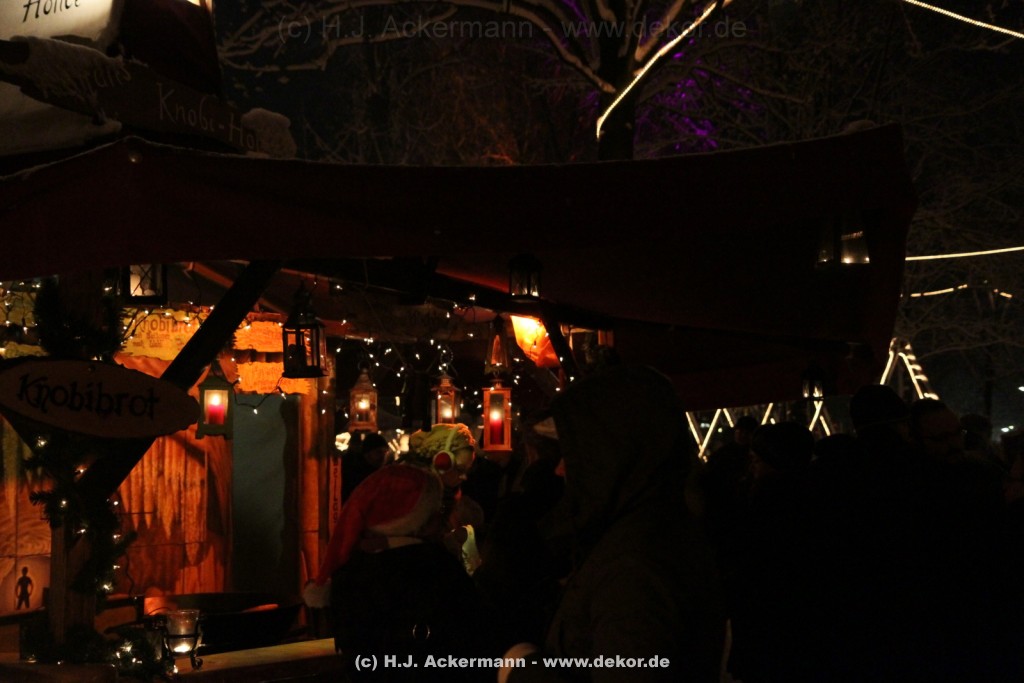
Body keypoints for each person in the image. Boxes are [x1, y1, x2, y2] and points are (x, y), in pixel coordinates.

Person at [499, 365, 726, 683]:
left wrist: (522, 668)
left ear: (611, 454)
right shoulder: (653, 530)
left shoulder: (636, 568)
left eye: (576, 452)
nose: (560, 469)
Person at [303, 464, 494, 681]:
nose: (441, 519)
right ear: (415, 519)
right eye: (435, 510)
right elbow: (473, 638)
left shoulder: (350, 571)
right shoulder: (434, 566)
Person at [342, 432, 391, 501]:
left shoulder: (383, 473)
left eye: (385, 452)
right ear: (367, 454)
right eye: (378, 452)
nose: (383, 456)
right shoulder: (355, 474)